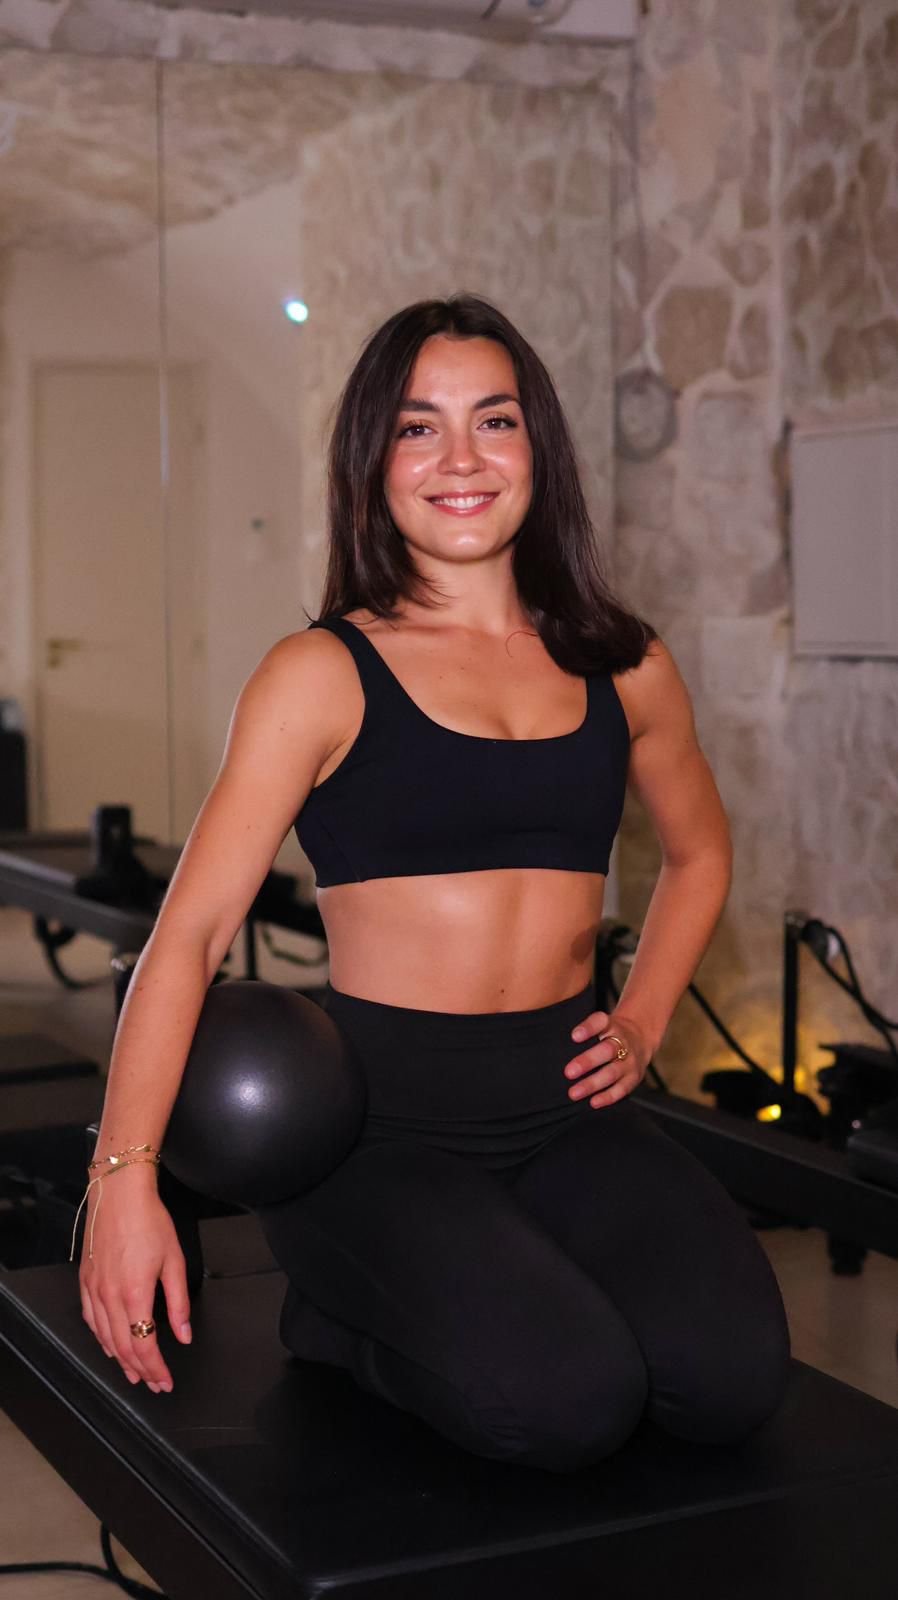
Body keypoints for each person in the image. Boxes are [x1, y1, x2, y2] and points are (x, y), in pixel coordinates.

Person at [77, 293, 790, 1472]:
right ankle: (342, 1319)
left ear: (536, 450)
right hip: (379, 1129)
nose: (460, 459)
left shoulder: (623, 663)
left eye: (493, 421)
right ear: (374, 460)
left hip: (569, 1108)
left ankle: (500, 1277)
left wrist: (646, 1013)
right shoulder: (320, 673)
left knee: (728, 1380)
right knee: (568, 1402)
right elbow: (193, 934)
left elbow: (700, 850)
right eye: (418, 429)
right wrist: (122, 1177)